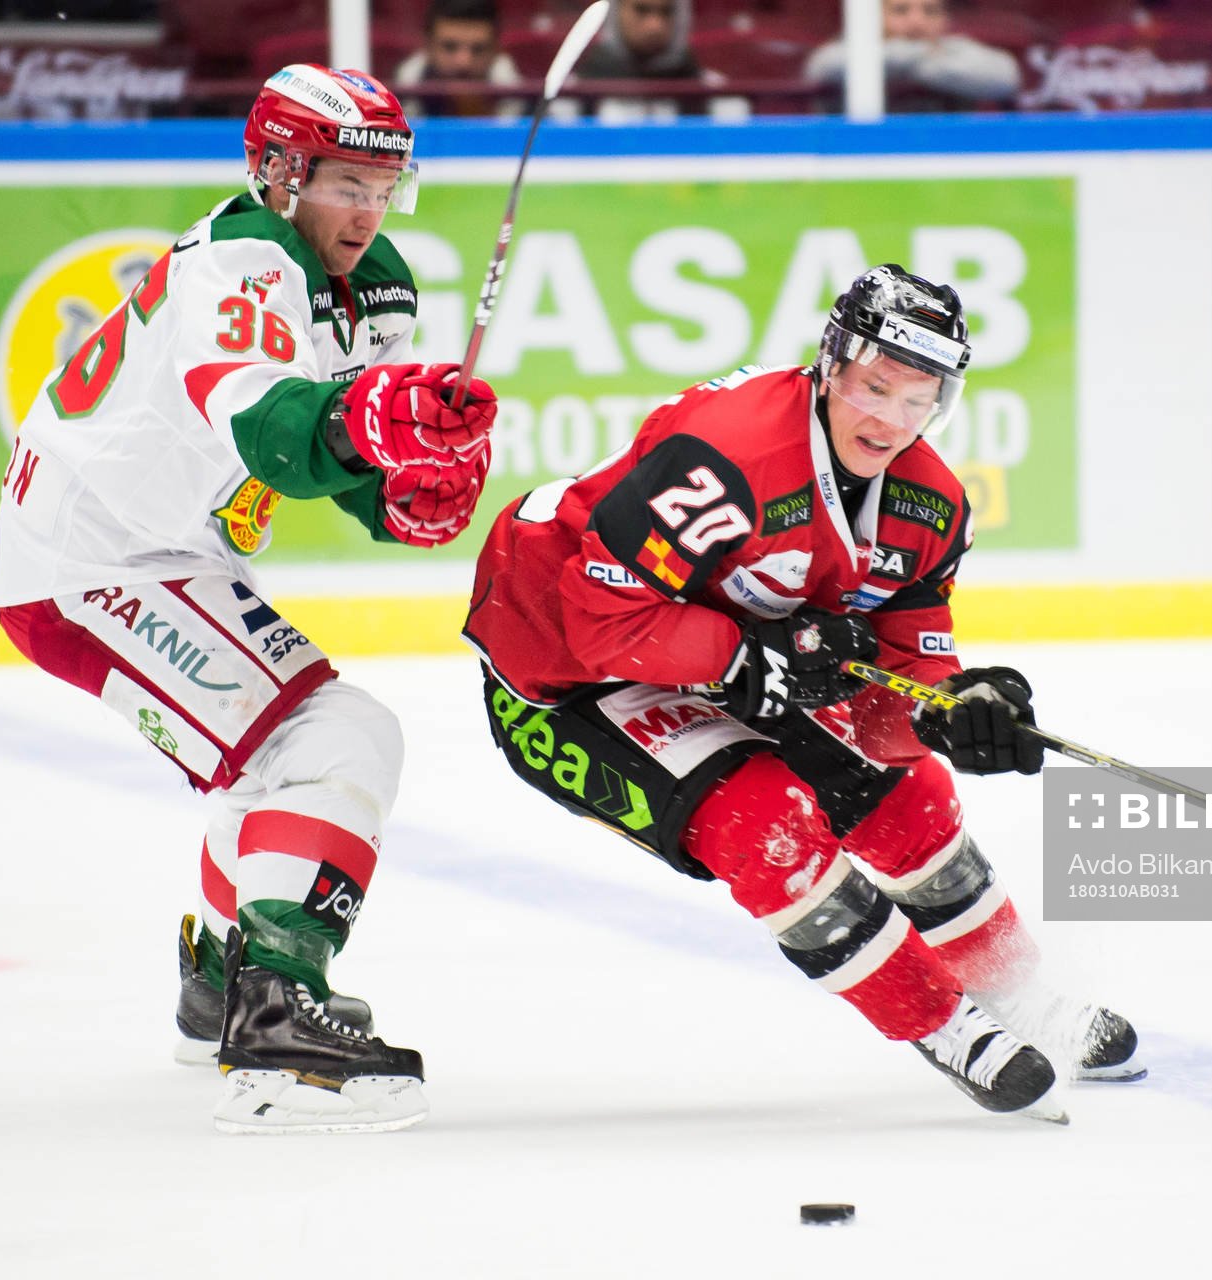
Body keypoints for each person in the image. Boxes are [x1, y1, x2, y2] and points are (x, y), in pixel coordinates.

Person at [463, 265, 1142, 1121]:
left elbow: (887, 695)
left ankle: (1024, 998)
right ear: (832, 365)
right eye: (874, 386)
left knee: (912, 799)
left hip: (720, 649)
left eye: (918, 396)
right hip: (563, 675)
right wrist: (745, 657)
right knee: (765, 819)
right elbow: (599, 618)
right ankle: (943, 1023)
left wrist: (952, 710)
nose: (891, 419)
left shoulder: (930, 506)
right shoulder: (729, 455)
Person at [0, 65, 499, 1134]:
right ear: (276, 172)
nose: (368, 213)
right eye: (345, 184)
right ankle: (275, 1002)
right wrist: (377, 425)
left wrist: (410, 489)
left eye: (384, 186)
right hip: (94, 558)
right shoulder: (239, 263)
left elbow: (343, 464)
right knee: (338, 735)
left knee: (273, 760)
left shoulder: (378, 280)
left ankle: (224, 985)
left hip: (159, 548)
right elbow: (273, 427)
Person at [803, 0, 1021, 112]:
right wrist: (921, 56)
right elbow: (821, 67)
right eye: (901, 10)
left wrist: (921, 65)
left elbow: (1006, 77)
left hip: (947, 160)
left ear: (945, 20)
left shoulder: (955, 49)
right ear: (876, 15)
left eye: (930, 11)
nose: (917, 22)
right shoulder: (853, 50)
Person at [574, 0, 716, 122]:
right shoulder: (573, 93)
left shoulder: (714, 93)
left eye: (666, 12)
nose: (655, 26)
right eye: (641, 10)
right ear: (615, 12)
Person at [392, 0, 527, 119]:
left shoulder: (521, 98)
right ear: (428, 46)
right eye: (450, 47)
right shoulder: (401, 92)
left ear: (496, 50)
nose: (463, 63)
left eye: (478, 49)